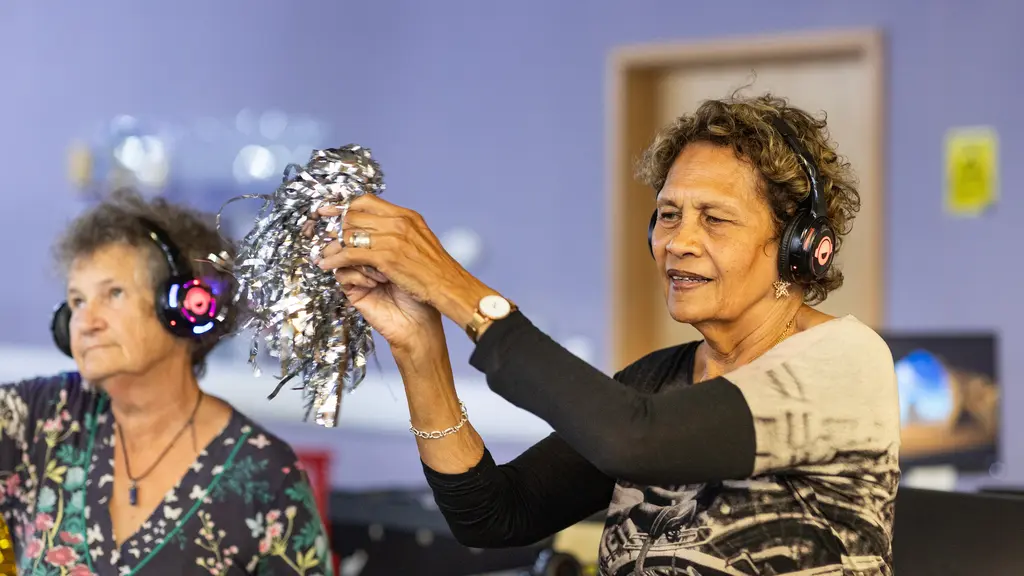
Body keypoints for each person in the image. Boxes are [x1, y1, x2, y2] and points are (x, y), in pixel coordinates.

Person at [315, 93, 901, 575]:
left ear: (801, 247)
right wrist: (420, 345)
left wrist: (454, 286)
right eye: (669, 215)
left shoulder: (845, 361)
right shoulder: (659, 380)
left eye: (714, 218)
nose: (679, 241)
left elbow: (635, 443)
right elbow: (495, 515)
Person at [0, 189, 333, 575]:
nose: (86, 322)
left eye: (113, 294)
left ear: (185, 307)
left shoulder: (265, 475)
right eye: (76, 301)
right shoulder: (38, 417)